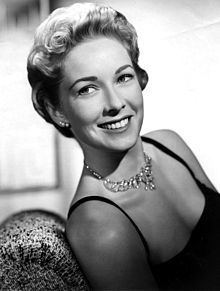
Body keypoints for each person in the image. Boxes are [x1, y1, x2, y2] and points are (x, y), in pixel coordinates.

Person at [27, 2, 220, 290]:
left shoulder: (170, 144)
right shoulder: (99, 227)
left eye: (123, 77)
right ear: (57, 111)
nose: (116, 103)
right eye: (87, 89)